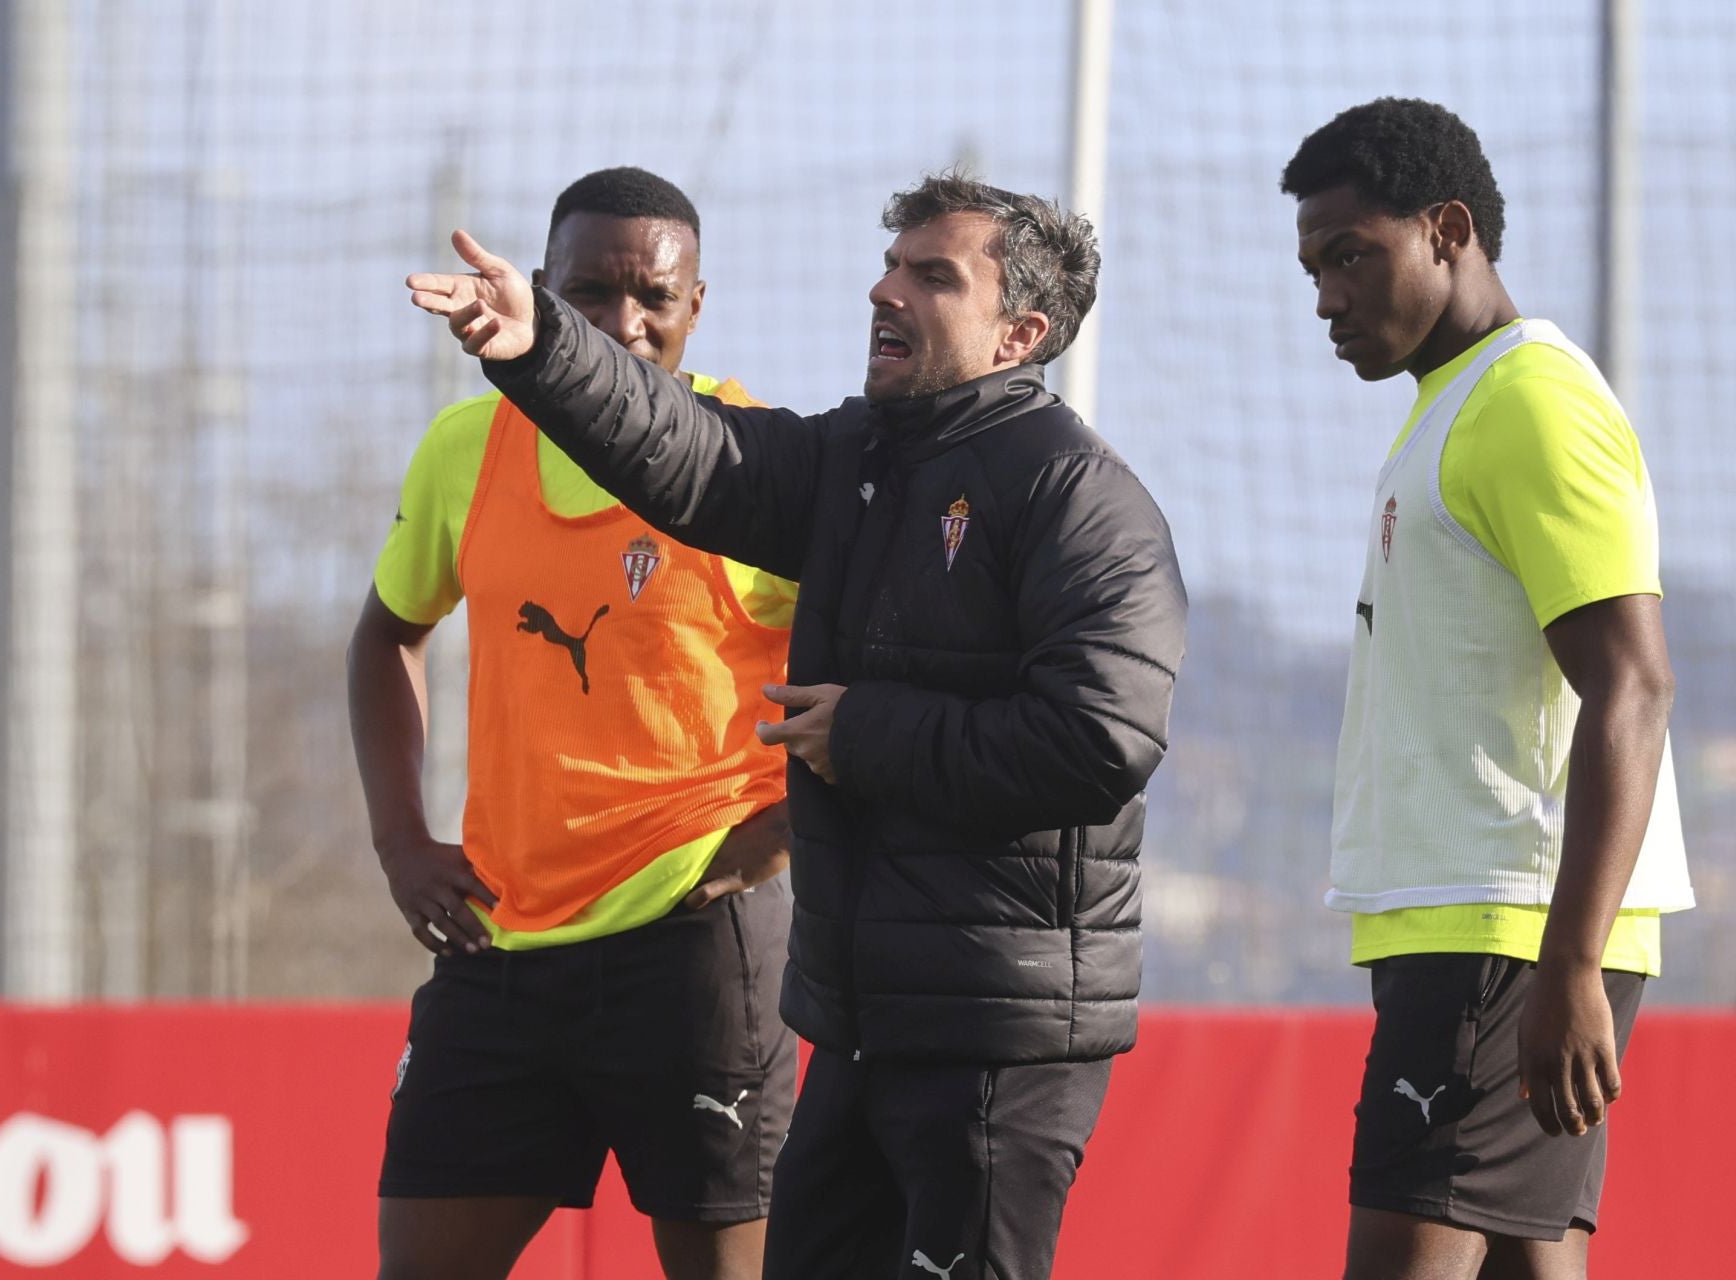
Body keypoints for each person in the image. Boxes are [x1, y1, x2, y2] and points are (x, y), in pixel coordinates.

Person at [406, 172, 1187, 1280]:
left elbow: (1101, 738)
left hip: (999, 1038)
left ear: (1022, 331)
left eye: (931, 275)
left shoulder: (1081, 497)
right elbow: (687, 450)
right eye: (890, 263)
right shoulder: (856, 461)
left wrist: (869, 733)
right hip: (859, 1023)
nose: (885, 290)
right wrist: (544, 350)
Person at [348, 166, 798, 1280]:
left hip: (696, 945)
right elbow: (382, 637)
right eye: (591, 293)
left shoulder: (757, 458)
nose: (624, 323)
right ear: (544, 292)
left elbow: (879, 669)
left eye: (653, 296)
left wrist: (785, 831)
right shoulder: (469, 446)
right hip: (502, 942)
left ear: (698, 305)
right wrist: (402, 842)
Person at [1283, 98, 1695, 1279]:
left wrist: (1569, 963)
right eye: (1315, 266)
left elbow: (1635, 684)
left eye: (1352, 254)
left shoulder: (1531, 399)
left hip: (1509, 931)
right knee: (1527, 1261)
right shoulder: (1452, 400)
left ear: (1449, 230)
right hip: (1482, 927)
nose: (1325, 294)